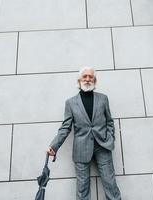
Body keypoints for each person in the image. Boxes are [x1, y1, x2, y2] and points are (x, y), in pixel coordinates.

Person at [47, 67, 121, 200]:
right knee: (82, 188)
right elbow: (65, 127)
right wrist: (54, 146)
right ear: (79, 80)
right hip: (81, 149)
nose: (87, 79)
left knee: (110, 183)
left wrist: (110, 138)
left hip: (103, 146)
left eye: (90, 77)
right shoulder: (70, 103)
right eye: (84, 76)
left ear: (95, 80)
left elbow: (109, 121)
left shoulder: (103, 99)